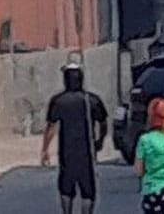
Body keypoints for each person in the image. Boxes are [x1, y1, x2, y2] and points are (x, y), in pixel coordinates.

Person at [41, 62, 108, 214]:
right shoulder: (92, 100)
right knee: (88, 189)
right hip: (87, 153)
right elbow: (103, 122)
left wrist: (45, 150)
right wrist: (99, 141)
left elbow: (51, 127)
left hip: (67, 152)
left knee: (66, 187)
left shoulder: (58, 101)